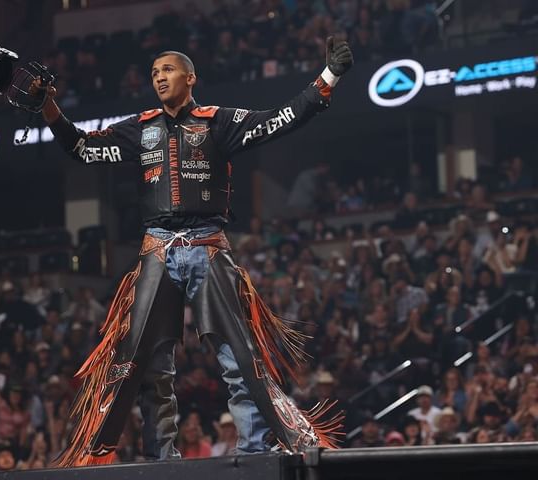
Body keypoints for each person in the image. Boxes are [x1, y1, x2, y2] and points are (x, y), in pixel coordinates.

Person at [20, 38, 352, 466]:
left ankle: (254, 451)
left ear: (190, 78)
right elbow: (81, 148)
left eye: (168, 70)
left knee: (239, 355)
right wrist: (48, 105)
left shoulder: (218, 121)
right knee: (146, 362)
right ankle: (162, 460)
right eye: (154, 72)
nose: (159, 77)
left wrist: (329, 77)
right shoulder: (140, 128)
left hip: (207, 245)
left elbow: (280, 119)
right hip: (156, 249)